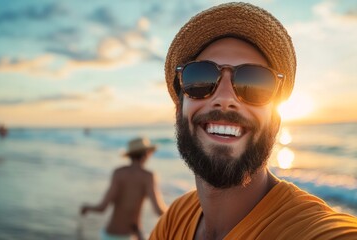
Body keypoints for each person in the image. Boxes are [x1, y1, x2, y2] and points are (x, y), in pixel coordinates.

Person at [150, 2, 357, 240]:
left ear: (276, 120)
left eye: (255, 83)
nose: (225, 99)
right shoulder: (176, 218)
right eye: (201, 78)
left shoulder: (318, 232)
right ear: (179, 109)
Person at [81, 137, 167, 240]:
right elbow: (158, 211)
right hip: (129, 235)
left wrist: (87, 208)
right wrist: (180, 211)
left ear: (130, 155)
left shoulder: (118, 173)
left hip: (109, 235)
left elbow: (102, 208)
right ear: (146, 154)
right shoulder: (147, 176)